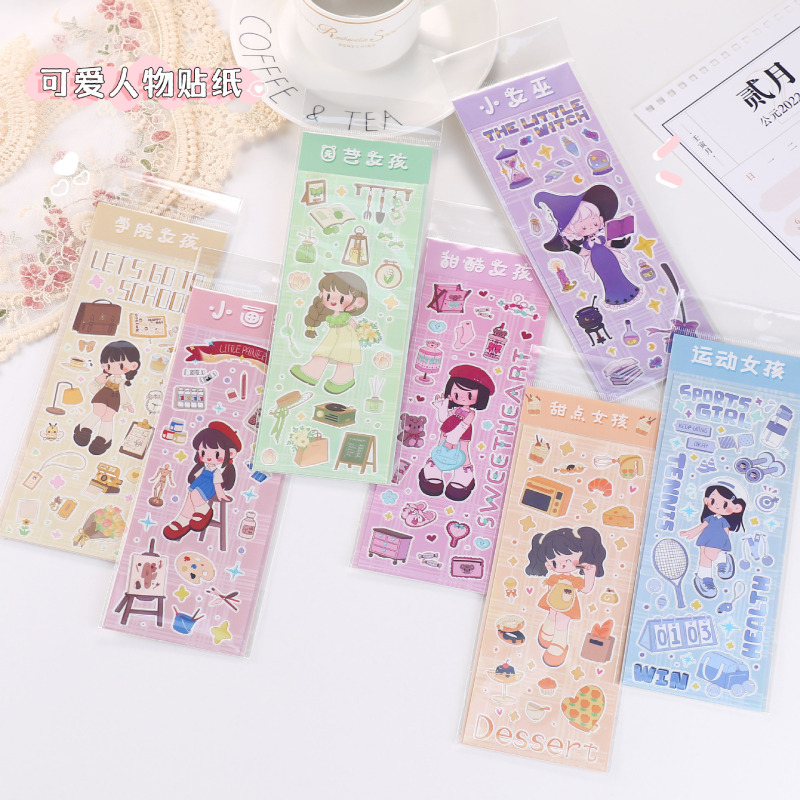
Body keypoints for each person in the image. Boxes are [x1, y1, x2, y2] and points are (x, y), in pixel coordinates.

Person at [535, 184, 640, 307]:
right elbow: (583, 252)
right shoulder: (586, 244)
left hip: (611, 259)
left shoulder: (601, 238)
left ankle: (628, 289)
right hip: (598, 263)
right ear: (570, 230)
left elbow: (609, 243)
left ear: (600, 219)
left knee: (618, 274)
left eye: (594, 223)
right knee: (607, 279)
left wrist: (621, 243)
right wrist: (571, 247)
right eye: (584, 227)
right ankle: (613, 295)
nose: (591, 227)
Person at [525, 527, 607, 667]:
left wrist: (590, 573)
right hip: (553, 602)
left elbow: (586, 589)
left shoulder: (575, 581)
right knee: (553, 613)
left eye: (569, 559)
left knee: (562, 620)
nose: (562, 564)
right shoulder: (555, 577)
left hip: (569, 605)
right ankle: (548, 626)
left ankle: (560, 643)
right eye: (555, 562)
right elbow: (550, 589)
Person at [418, 365, 495, 502]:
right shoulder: (454, 410)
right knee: (441, 447)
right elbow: (443, 419)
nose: (462, 398)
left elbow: (465, 424)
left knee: (462, 452)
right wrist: (441, 407)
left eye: (469, 395)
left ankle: (463, 473)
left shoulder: (470, 413)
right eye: (457, 394)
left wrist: (454, 436)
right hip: (446, 432)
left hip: (461, 435)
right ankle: (434, 467)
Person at [289, 271, 369, 395]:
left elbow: (354, 325)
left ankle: (344, 379)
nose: (332, 301)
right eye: (328, 296)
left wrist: (362, 332)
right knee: (323, 353)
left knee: (344, 358)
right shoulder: (331, 313)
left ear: (358, 302)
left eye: (341, 298)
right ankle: (310, 372)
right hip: (334, 334)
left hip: (346, 336)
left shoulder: (345, 317)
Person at [163, 422, 241, 541]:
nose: (208, 457)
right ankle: (183, 520)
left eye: (216, 453)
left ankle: (204, 510)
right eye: (203, 452)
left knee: (194, 493)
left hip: (209, 488)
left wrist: (220, 493)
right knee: (190, 497)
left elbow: (217, 484)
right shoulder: (203, 467)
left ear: (230, 453)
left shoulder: (217, 471)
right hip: (199, 485)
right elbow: (196, 476)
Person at [680, 482, 746, 599]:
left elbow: (726, 533)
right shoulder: (710, 518)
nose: (717, 506)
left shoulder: (724, 521)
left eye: (725, 504)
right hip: (705, 539)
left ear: (736, 508)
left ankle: (723, 560)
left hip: (718, 540)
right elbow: (701, 527)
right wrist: (691, 532)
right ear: (706, 501)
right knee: (704, 558)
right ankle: (704, 579)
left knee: (710, 553)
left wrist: (724, 543)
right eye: (713, 501)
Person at [73, 340, 140, 455]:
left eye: (120, 365)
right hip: (102, 396)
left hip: (114, 399)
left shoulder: (122, 382)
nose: (113, 368)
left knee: (108, 416)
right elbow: (93, 390)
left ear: (133, 366)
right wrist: (98, 381)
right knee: (99, 410)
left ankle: (104, 438)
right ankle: (84, 427)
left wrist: (127, 404)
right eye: (108, 365)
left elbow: (123, 393)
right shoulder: (105, 378)